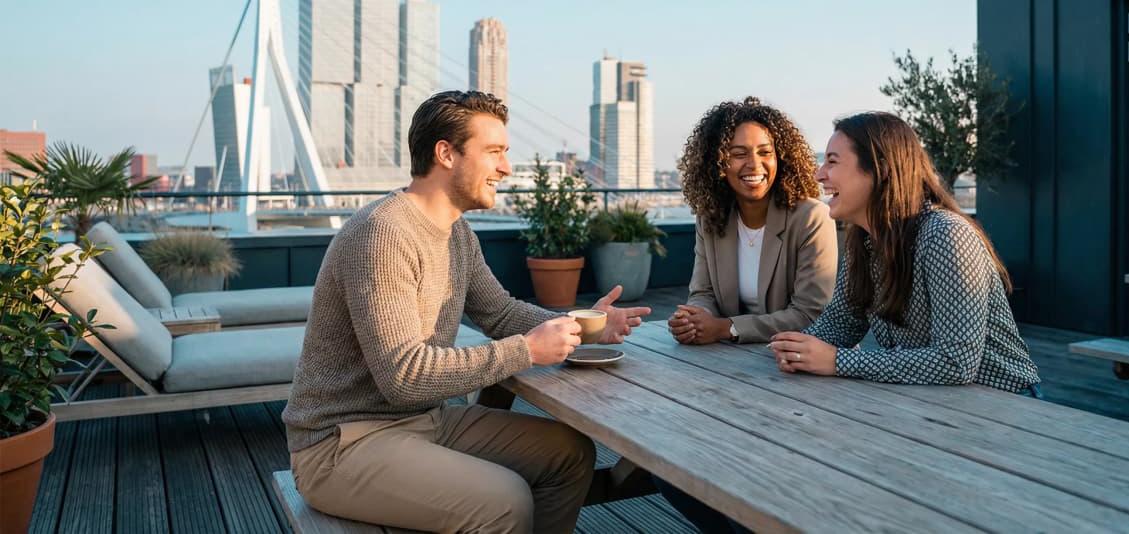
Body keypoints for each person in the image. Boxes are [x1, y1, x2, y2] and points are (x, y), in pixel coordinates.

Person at [282, 90, 651, 533]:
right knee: (504, 502)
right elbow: (403, 376)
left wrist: (582, 326)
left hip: (424, 421)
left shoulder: (457, 233)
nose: (506, 168)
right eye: (494, 152)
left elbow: (499, 313)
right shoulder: (381, 235)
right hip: (341, 444)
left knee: (569, 454)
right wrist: (527, 351)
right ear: (446, 154)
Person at [769, 111, 1041, 395]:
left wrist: (838, 361)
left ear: (882, 169)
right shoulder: (863, 242)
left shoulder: (946, 235)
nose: (819, 173)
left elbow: (956, 363)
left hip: (1008, 406)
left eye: (832, 161)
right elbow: (841, 324)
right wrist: (792, 349)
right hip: (929, 401)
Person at [668, 96, 838, 345]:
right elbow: (703, 293)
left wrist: (727, 328)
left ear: (781, 157)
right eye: (739, 154)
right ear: (718, 163)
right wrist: (693, 320)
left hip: (806, 362)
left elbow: (810, 314)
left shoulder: (811, 218)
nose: (754, 165)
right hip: (733, 362)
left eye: (765, 152)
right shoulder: (711, 218)